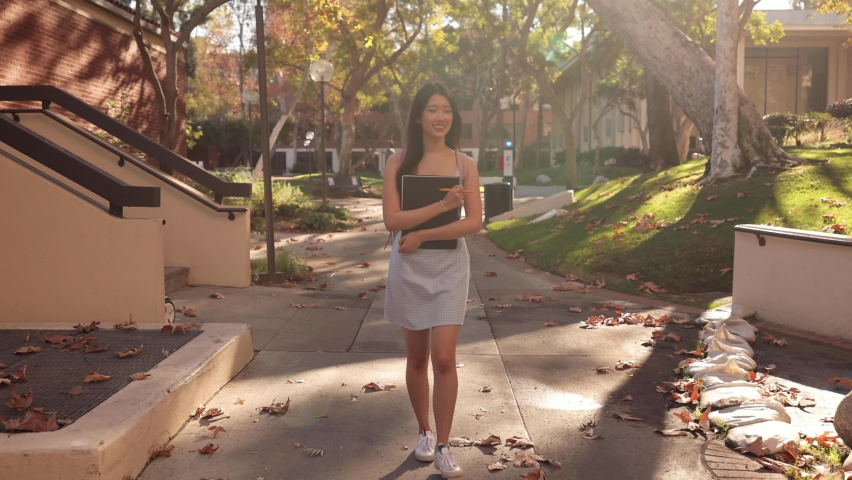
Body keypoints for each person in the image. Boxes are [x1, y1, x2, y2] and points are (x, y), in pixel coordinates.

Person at [381, 82, 482, 479]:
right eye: (433, 109)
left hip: (450, 268)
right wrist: (441, 206)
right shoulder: (398, 161)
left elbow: (473, 222)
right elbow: (392, 220)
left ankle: (443, 444)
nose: (441, 117)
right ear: (419, 116)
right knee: (418, 358)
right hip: (408, 267)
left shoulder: (465, 164)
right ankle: (423, 432)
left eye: (447, 110)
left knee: (443, 358)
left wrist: (424, 233)